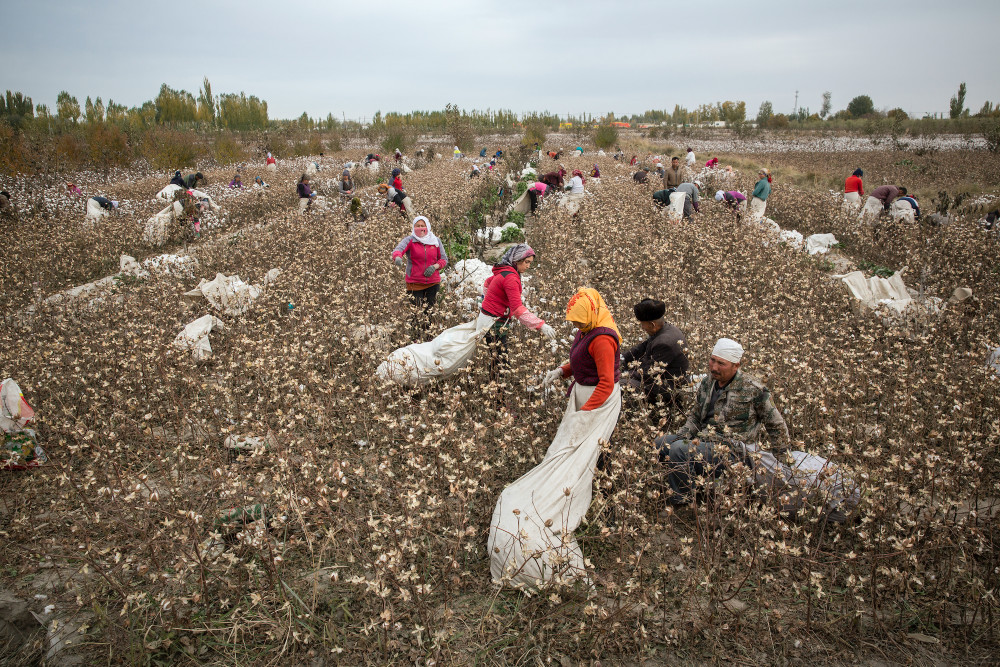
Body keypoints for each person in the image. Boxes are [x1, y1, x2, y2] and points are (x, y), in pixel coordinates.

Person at [490, 287, 622, 588]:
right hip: (584, 396)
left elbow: (605, 382)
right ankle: (594, 494)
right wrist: (562, 371)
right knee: (576, 451)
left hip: (599, 403)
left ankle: (606, 501)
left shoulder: (602, 338)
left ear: (589, 315)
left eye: (578, 323)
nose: (575, 328)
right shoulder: (587, 329)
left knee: (592, 451)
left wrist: (584, 416)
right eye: (574, 324)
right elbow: (579, 361)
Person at [655, 338, 789, 507]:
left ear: (736, 365)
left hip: (734, 450)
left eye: (721, 364)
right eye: (712, 360)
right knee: (661, 443)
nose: (714, 367)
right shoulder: (707, 382)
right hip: (704, 441)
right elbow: (696, 417)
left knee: (679, 450)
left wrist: (783, 461)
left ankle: (682, 502)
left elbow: (776, 425)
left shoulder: (753, 389)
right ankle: (697, 485)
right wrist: (682, 434)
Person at [480, 244, 556, 382]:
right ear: (517, 260)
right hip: (494, 324)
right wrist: (540, 325)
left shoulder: (504, 271)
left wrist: (489, 300)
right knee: (500, 362)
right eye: (526, 262)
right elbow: (517, 309)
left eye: (530, 263)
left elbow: (487, 283)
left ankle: (496, 391)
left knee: (497, 358)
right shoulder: (511, 278)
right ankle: (498, 397)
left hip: (487, 320)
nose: (528, 266)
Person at [621, 299, 689, 416]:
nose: (642, 327)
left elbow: (647, 374)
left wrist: (622, 375)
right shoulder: (663, 330)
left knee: (621, 385)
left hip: (667, 388)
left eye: (643, 324)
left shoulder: (664, 342)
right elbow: (641, 348)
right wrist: (621, 358)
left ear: (652, 324)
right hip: (657, 380)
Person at [392, 216, 448, 332]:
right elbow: (399, 249)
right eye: (418, 226)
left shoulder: (435, 241)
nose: (420, 228)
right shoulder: (410, 240)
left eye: (423, 226)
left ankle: (429, 337)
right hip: (414, 283)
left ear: (427, 227)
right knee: (416, 312)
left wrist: (434, 267)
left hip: (433, 282)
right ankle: (416, 336)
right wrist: (397, 257)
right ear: (414, 227)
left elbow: (443, 259)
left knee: (430, 311)